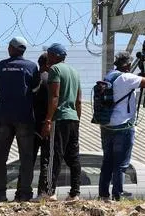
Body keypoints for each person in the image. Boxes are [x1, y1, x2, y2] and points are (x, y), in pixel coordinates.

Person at [98, 50, 145, 201]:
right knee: (121, 163)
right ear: (129, 65)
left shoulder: (110, 75)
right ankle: (118, 194)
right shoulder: (127, 78)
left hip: (106, 125)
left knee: (107, 161)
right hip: (123, 126)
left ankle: (103, 194)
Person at [0, 36, 39, 202]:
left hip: (4, 116)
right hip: (24, 117)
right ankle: (25, 193)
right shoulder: (32, 66)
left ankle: (1, 193)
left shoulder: (2, 65)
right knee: (26, 157)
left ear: (12, 48)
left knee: (1, 157)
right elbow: (35, 88)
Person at [42, 43, 83, 201]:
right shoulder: (74, 72)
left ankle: (50, 192)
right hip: (73, 118)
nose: (48, 57)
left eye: (50, 54)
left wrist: (48, 120)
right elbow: (79, 100)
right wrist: (77, 119)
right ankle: (75, 192)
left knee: (54, 155)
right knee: (73, 157)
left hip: (59, 118)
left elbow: (55, 96)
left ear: (56, 56)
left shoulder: (55, 70)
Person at [28, 53, 51, 199]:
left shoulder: (33, 78)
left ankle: (24, 191)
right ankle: (43, 192)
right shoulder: (51, 79)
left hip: (33, 123)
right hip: (47, 124)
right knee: (46, 160)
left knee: (28, 160)